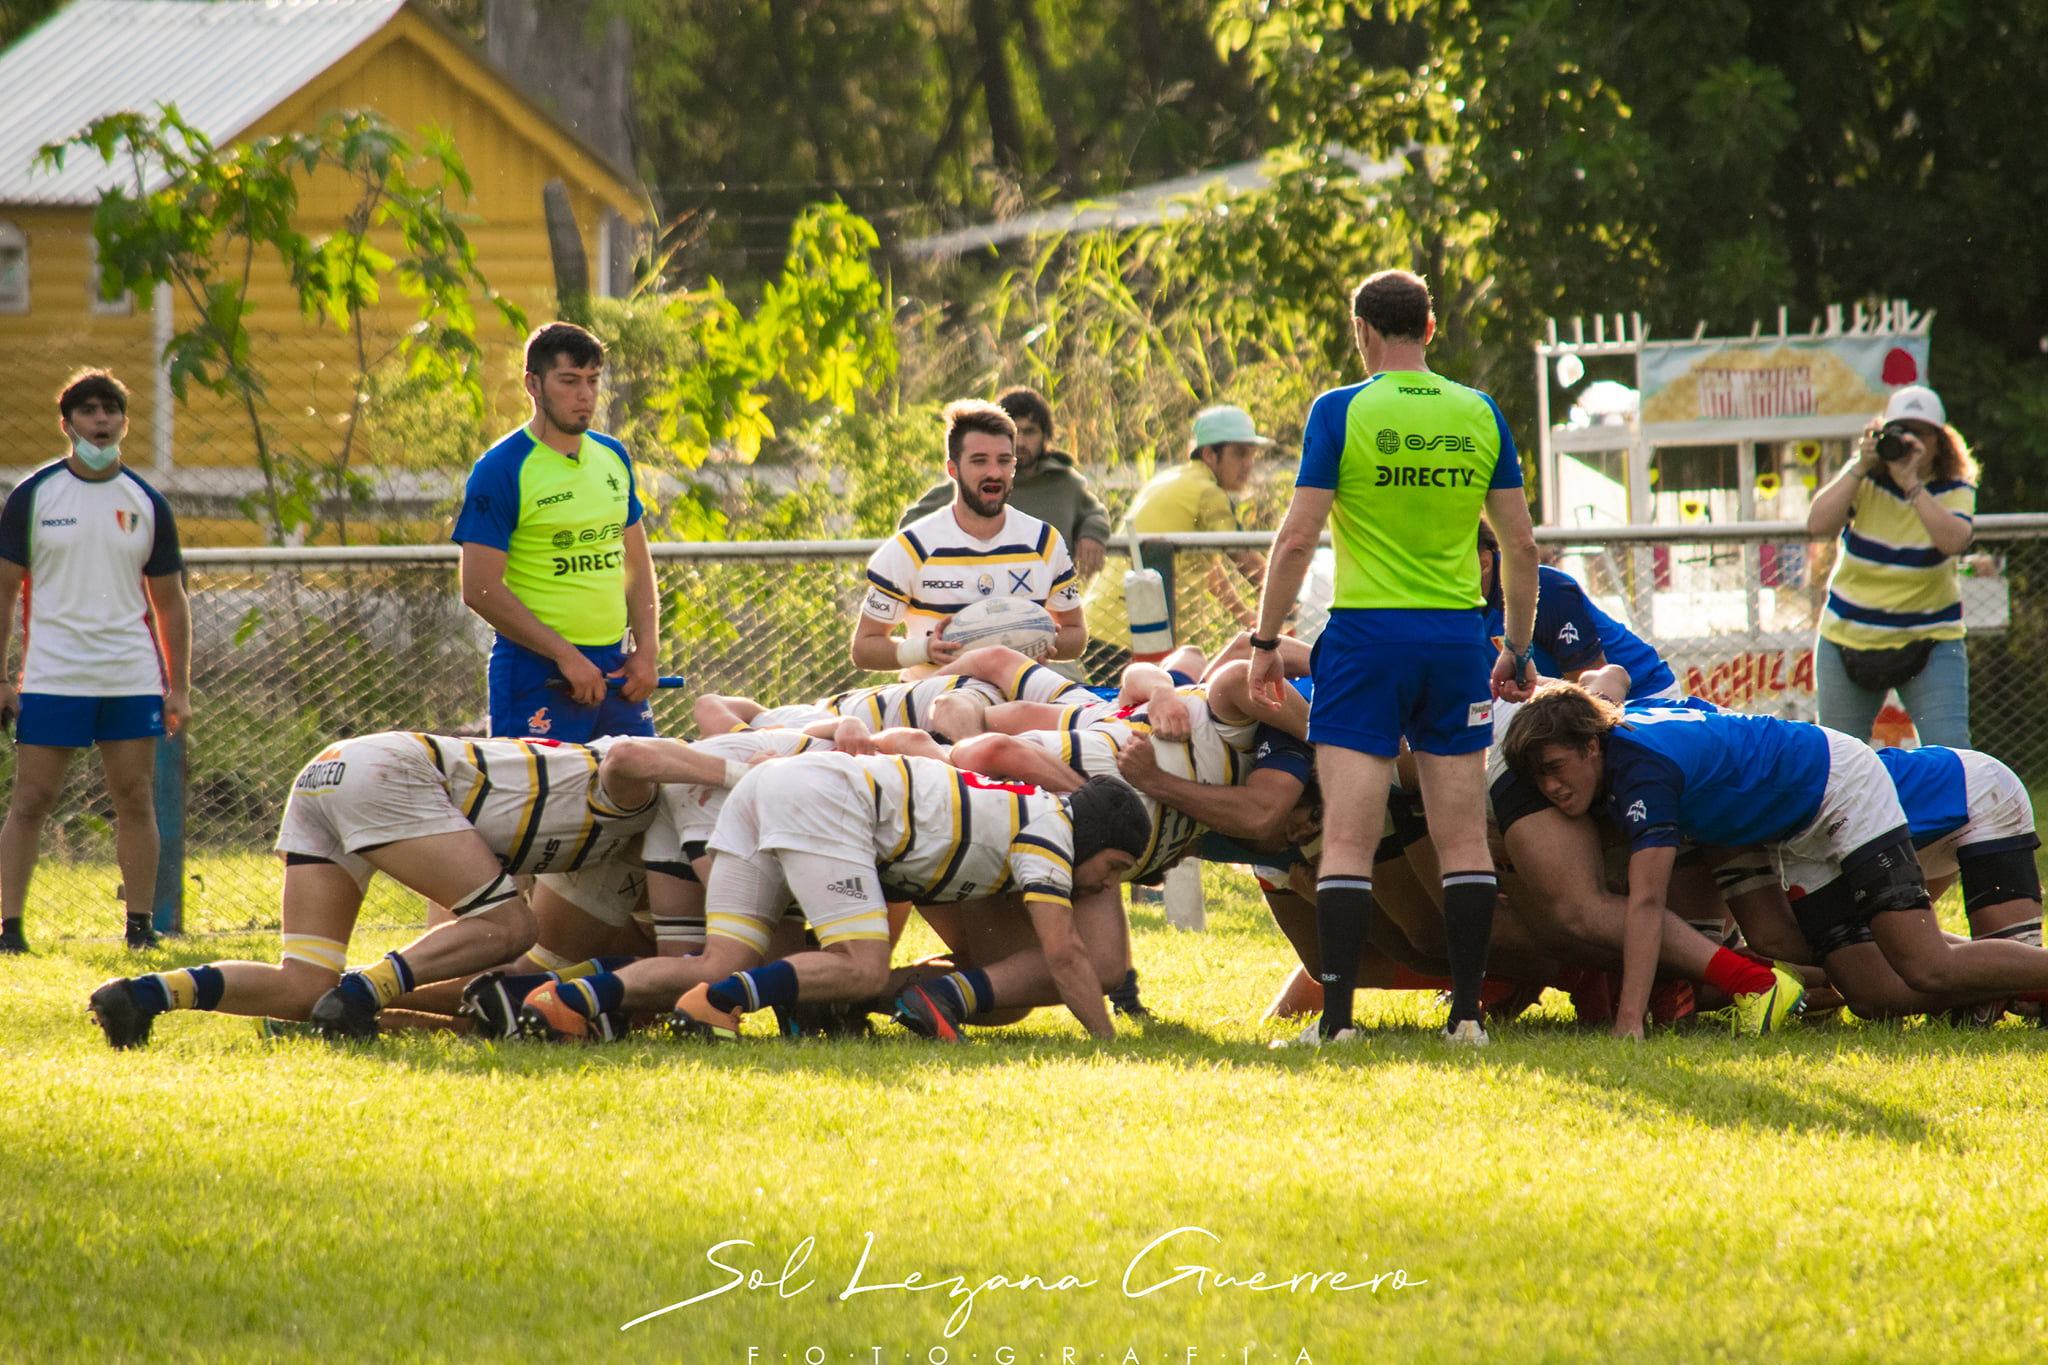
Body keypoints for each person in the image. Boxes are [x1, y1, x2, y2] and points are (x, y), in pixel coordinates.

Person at [1249, 269, 1538, 1046]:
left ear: (1363, 331)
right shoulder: (1478, 411)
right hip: (1456, 641)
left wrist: (1266, 642)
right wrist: (1515, 647)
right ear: (1431, 328)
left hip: (1366, 642)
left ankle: (1337, 1024)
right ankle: (1468, 1018)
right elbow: (1520, 544)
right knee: (1463, 839)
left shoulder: (1340, 409)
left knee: (1346, 838)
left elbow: (1297, 537)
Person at [1502, 682, 2048, 1033]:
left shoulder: (1642, 772)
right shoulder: (1624, 731)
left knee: (1924, 964)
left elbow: (1646, 905)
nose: (1550, 787)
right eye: (1537, 777)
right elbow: (1682, 707)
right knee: (1874, 994)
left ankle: (2012, 974)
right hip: (1792, 825)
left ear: (1590, 746)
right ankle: (1998, 979)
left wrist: (1629, 1021)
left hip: (1837, 785)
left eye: (1555, 767)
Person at [84, 730, 674, 1047]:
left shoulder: (608, 847)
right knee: (511, 926)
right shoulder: (644, 789)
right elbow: (629, 758)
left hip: (330, 769)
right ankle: (364, 992)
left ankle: (143, 995)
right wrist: (718, 766)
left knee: (304, 985)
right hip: (391, 769)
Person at [521, 756, 1152, 1042]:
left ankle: (566, 999)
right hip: (823, 798)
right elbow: (1065, 954)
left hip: (771, 787)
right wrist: (1108, 1041)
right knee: (862, 966)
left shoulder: (1030, 814)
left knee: (719, 959)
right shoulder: (1052, 831)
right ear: (1095, 836)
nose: (1106, 885)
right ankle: (720, 1003)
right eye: (1115, 868)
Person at [0, 369, 190, 955]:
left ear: (125, 423)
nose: (100, 420)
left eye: (111, 410)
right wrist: (2, 679)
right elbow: (4, 592)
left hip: (130, 677)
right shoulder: (34, 496)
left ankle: (140, 928)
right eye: (87, 410)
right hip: (53, 676)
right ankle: (9, 930)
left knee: (134, 798)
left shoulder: (146, 502)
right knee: (31, 801)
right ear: (67, 424)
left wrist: (179, 687)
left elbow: (170, 602)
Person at [454, 322, 660, 742]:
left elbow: (637, 567)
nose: (585, 394)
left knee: (644, 778)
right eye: (569, 381)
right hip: (537, 670)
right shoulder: (501, 468)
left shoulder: (613, 456)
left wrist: (647, 651)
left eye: (592, 380)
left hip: (616, 668)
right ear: (533, 384)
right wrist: (565, 656)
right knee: (543, 786)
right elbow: (479, 589)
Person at [853, 400, 1086, 675]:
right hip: (937, 693)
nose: (994, 472)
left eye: (1004, 461)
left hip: (1020, 691)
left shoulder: (1044, 542)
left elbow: (1076, 634)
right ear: (952, 469)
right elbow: (864, 648)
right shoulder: (912, 548)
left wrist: (1039, 641)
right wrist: (924, 650)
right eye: (979, 461)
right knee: (960, 703)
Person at [1806, 383, 1976, 747]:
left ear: (1940, 442)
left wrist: (1911, 484)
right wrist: (1860, 464)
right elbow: (1817, 525)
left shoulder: (1954, 488)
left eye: (1921, 434)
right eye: (1901, 431)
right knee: (1839, 757)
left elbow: (1953, 542)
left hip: (1929, 640)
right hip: (1848, 638)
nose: (1910, 441)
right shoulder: (1865, 480)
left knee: (1952, 755)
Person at [1081, 404, 1273, 677]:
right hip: (1135, 635)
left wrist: (1243, 613)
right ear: (1209, 454)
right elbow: (1243, 556)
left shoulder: (1172, 479)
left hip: (1104, 627)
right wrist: (1292, 601)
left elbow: (1204, 564)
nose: (1248, 464)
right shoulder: (1207, 492)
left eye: (1252, 454)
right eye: (1240, 453)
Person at [899, 387, 1111, 581]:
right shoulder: (980, 482)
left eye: (1030, 431)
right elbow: (912, 523)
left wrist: (1091, 535)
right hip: (980, 598)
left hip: (1050, 602)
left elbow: (1095, 513)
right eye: (1014, 432)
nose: (1021, 442)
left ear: (1045, 435)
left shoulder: (1065, 483)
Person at [1476, 523, 1679, 701]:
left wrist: (1534, 685)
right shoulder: (1465, 605)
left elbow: (1597, 696)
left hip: (1643, 696)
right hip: (1569, 700)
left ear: (1484, 563)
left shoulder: (1544, 588)